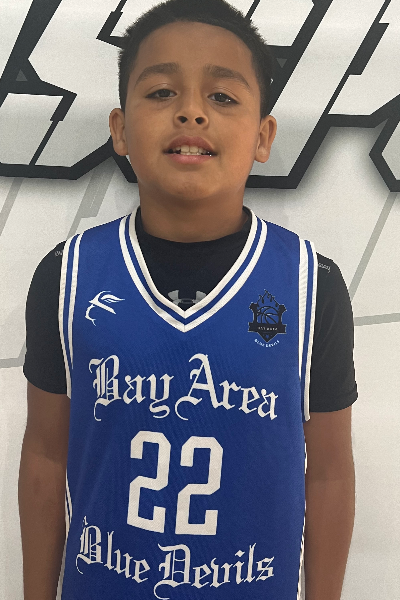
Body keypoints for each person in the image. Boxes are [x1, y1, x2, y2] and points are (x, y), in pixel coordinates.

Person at [18, 1, 357, 599]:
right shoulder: (67, 275)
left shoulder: (311, 284)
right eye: (161, 92)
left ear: (263, 136)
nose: (192, 112)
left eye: (222, 97)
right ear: (121, 129)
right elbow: (45, 455)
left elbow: (329, 473)